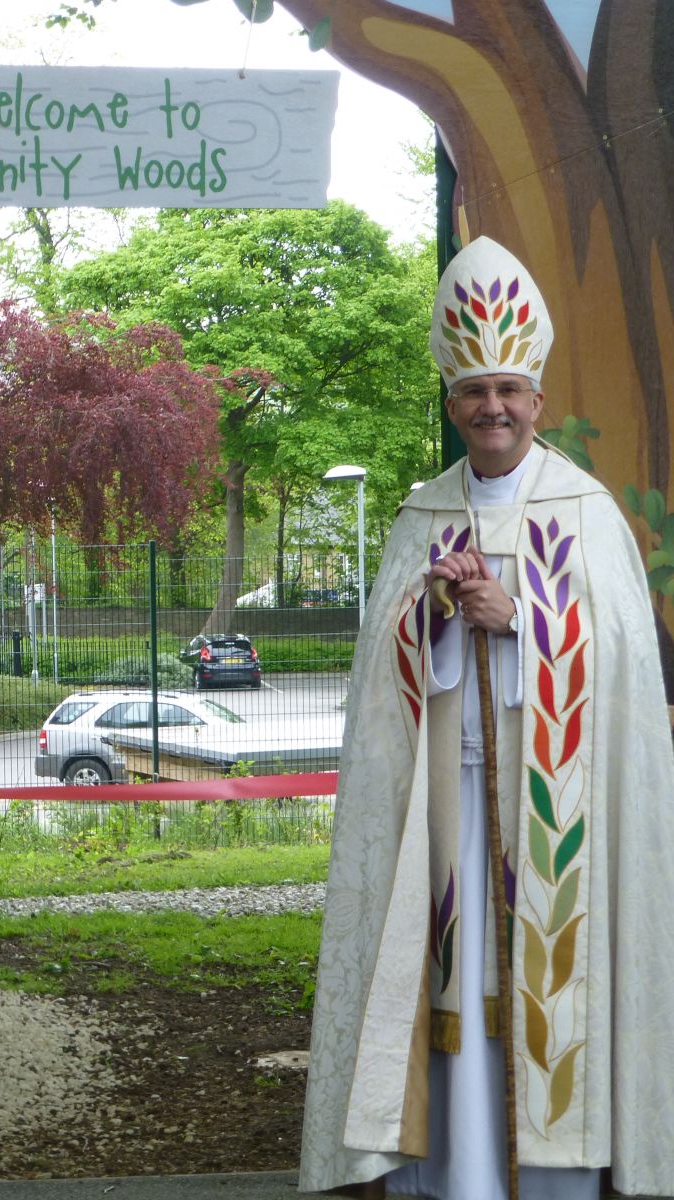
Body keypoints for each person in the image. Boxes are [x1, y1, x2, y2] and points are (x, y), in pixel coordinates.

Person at [299, 236, 674, 1197]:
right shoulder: (420, 518)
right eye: (474, 392)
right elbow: (380, 696)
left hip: (561, 825)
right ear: (453, 403)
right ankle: (455, 1176)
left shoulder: (586, 512)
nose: (492, 407)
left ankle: (551, 1182)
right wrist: (429, 612)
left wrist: (526, 626)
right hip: (445, 812)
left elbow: (626, 672)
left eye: (509, 389)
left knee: (548, 988)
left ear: (537, 402)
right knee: (449, 980)